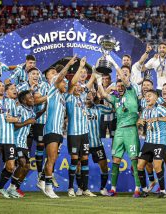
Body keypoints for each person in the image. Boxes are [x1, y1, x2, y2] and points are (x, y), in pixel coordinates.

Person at [97, 67, 141, 198]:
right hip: (119, 132)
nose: (120, 87)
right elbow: (103, 95)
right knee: (115, 160)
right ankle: (113, 189)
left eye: (122, 85)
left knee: (134, 160)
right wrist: (99, 80)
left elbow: (125, 80)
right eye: (118, 86)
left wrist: (114, 64)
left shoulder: (131, 92)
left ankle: (138, 188)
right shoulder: (116, 99)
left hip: (131, 130)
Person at [41, 55, 77, 198]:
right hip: (50, 130)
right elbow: (61, 76)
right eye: (64, 83)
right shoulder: (53, 89)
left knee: (53, 158)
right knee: (51, 159)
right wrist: (69, 64)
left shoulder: (62, 96)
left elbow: (72, 85)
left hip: (58, 132)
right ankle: (48, 188)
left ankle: (42, 180)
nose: (65, 85)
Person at [65, 57, 96, 197]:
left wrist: (95, 70)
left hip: (84, 134)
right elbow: (72, 83)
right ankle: (71, 188)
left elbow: (90, 81)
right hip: (73, 134)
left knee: (84, 161)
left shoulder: (83, 97)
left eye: (79, 85)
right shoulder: (69, 97)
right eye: (76, 85)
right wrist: (80, 66)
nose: (78, 87)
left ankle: (85, 188)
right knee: (74, 160)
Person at [136, 89, 166, 198]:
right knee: (139, 166)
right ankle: (144, 190)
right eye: (146, 96)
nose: (147, 97)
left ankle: (163, 191)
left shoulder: (160, 108)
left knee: (157, 166)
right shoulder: (145, 111)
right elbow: (140, 122)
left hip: (160, 142)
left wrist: (157, 119)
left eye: (149, 95)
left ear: (156, 98)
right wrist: (139, 122)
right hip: (148, 141)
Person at [8, 90, 45, 198]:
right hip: (15, 141)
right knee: (22, 163)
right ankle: (9, 187)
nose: (33, 99)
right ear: (24, 100)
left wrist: (45, 108)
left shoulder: (30, 111)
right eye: (30, 98)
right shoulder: (19, 109)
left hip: (23, 143)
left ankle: (14, 187)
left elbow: (35, 116)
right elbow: (14, 125)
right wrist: (27, 122)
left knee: (27, 167)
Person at [85, 90, 113, 196]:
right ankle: (80, 188)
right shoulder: (78, 108)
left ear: (94, 97)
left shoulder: (99, 108)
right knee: (79, 165)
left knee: (104, 166)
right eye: (86, 94)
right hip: (84, 143)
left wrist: (104, 97)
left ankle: (102, 188)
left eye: (91, 95)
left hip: (97, 144)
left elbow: (111, 110)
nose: (88, 96)